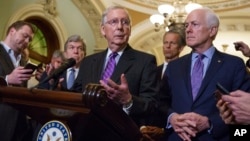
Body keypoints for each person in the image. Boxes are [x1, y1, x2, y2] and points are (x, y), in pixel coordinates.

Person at [157, 7, 250, 141]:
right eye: (186, 25)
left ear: (212, 30)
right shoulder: (174, 66)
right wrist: (172, 118)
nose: (187, 30)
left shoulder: (234, 64)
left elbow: (244, 109)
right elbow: (160, 103)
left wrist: (209, 122)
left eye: (194, 24)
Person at [0, 20, 36, 141]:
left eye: (30, 40)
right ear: (12, 31)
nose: (27, 42)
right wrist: (7, 79)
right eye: (25, 36)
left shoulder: (23, 62)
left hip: (19, 126)